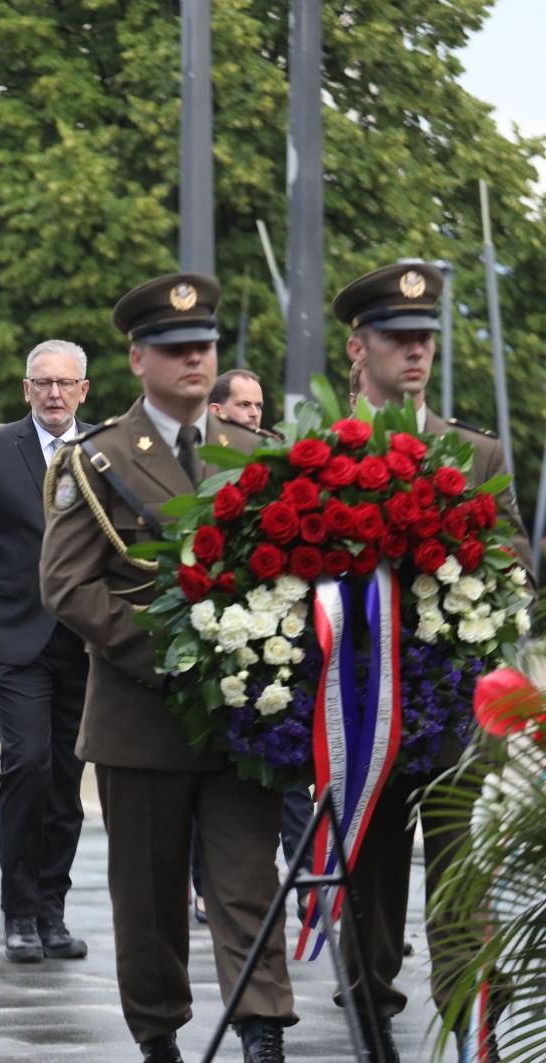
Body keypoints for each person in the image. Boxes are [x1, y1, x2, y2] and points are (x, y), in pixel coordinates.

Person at [40, 274, 293, 1062]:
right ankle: (158, 1034)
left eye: (205, 347)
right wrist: (170, 657)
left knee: (248, 880)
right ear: (138, 358)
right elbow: (66, 583)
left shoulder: (256, 455)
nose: (194, 360)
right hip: (140, 713)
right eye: (177, 348)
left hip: (240, 716)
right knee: (147, 897)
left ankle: (261, 1029)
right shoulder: (99, 457)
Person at [330, 261, 531, 1060]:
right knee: (370, 863)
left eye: (426, 339)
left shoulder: (475, 453)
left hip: (450, 695)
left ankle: (471, 1003)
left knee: (459, 865)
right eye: (398, 338)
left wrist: (469, 555)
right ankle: (368, 995)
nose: (417, 352)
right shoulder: (320, 451)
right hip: (360, 693)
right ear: (358, 347)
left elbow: (515, 556)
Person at [0, 340, 93, 963]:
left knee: (67, 778)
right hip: (12, 635)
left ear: (84, 390)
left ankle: (52, 911)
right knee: (26, 764)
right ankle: (19, 911)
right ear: (25, 388)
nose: (53, 393)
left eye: (64, 383)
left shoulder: (104, 450)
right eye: (42, 383)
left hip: (86, 639)